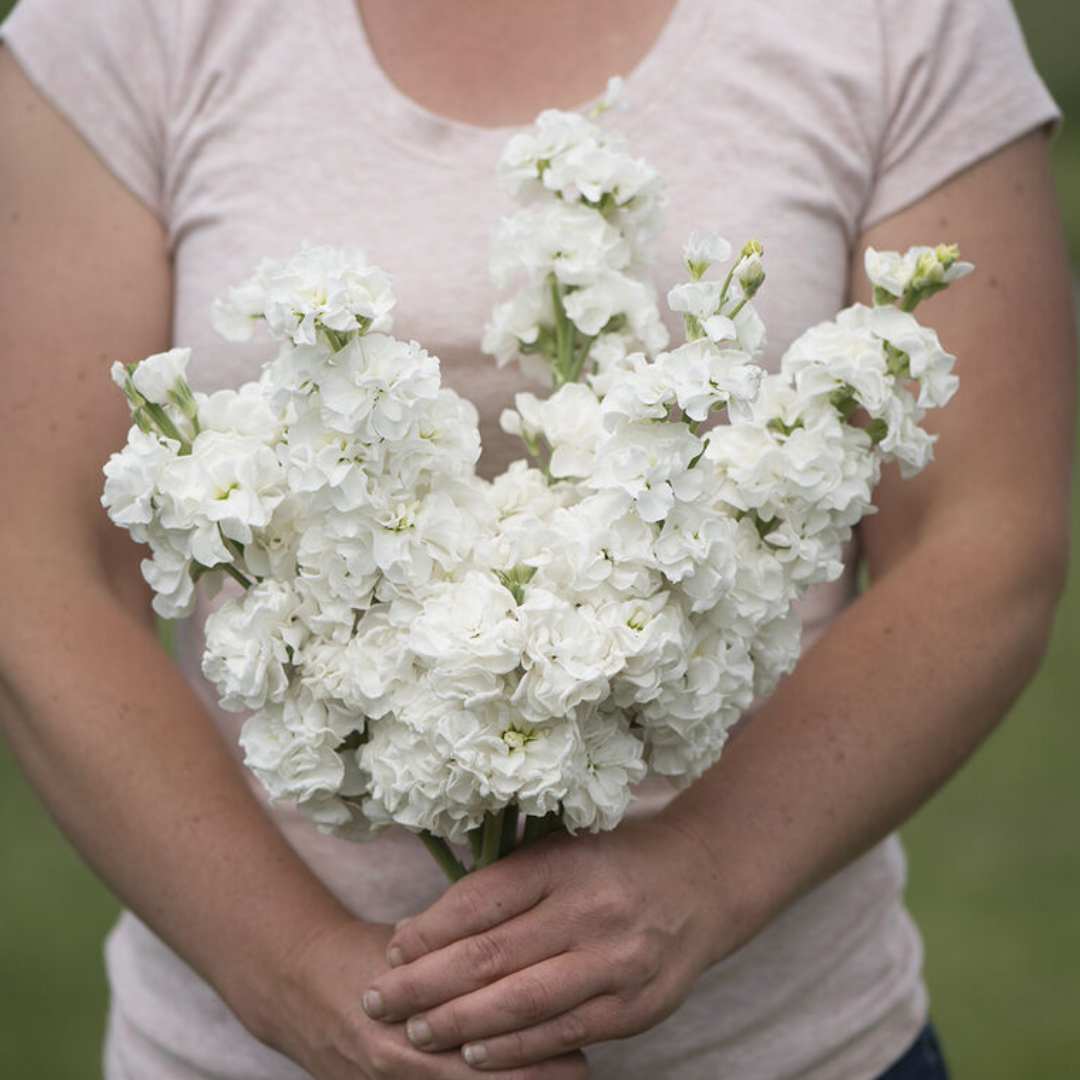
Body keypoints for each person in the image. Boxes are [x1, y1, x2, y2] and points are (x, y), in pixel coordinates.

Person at [0, 0, 1074, 1077]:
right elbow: (34, 569)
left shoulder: (896, 21)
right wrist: (301, 977)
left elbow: (988, 540)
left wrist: (705, 873)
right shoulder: (132, 22)